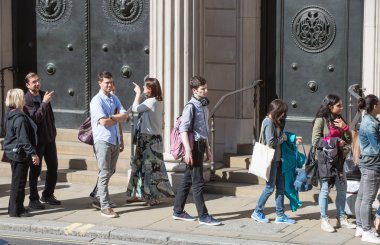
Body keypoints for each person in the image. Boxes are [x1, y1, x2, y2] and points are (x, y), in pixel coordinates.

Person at [172, 76, 221, 226]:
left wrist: (209, 148)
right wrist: (187, 151)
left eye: (206, 88)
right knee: (198, 182)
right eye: (202, 89)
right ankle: (203, 216)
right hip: (193, 147)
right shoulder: (191, 107)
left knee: (188, 179)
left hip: (200, 145)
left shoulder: (203, 105)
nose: (206, 91)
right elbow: (183, 130)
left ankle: (178, 211)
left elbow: (204, 129)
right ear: (194, 90)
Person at [126, 78, 174, 205]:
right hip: (153, 138)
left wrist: (137, 93)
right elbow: (162, 120)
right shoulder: (159, 101)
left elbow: (135, 109)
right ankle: (140, 194)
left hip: (148, 139)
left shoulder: (151, 101)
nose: (143, 88)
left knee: (147, 168)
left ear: (150, 89)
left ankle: (150, 197)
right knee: (146, 167)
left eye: (145, 87)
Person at [311, 94, 356, 233]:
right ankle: (324, 220)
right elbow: (315, 141)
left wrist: (346, 128)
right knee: (325, 191)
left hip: (340, 161)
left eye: (342, 105)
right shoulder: (321, 120)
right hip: (325, 162)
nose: (341, 108)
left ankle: (341, 217)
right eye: (339, 105)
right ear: (330, 106)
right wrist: (335, 142)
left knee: (342, 190)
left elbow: (349, 140)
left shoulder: (340, 119)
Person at [251, 99, 296, 224]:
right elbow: (271, 142)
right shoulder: (268, 122)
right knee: (270, 188)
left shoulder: (275, 122)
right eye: (282, 112)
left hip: (278, 160)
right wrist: (284, 138)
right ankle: (257, 211)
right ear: (276, 111)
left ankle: (280, 215)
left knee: (280, 188)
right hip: (271, 161)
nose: (283, 115)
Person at [90, 71, 128, 218]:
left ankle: (97, 196)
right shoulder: (96, 101)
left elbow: (125, 116)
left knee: (110, 171)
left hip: (114, 140)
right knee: (104, 173)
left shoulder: (114, 98)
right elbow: (103, 122)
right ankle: (104, 206)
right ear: (100, 83)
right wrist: (115, 117)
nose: (110, 85)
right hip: (102, 141)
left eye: (111, 82)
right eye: (107, 82)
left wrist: (112, 118)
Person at [24, 72, 60, 209]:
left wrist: (53, 131)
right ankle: (33, 199)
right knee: (35, 171)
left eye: (38, 80)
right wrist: (44, 103)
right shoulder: (26, 100)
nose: (37, 83)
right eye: (34, 82)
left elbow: (49, 116)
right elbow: (36, 118)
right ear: (27, 85)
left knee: (53, 167)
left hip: (49, 138)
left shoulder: (43, 94)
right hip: (37, 141)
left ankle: (48, 194)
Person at [3, 89, 39, 217]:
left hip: (13, 152)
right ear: (18, 100)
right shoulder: (20, 118)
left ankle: (13, 208)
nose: (24, 99)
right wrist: (33, 154)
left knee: (16, 181)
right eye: (22, 97)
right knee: (19, 183)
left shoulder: (10, 114)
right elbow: (23, 140)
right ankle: (16, 211)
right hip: (20, 154)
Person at [354, 94, 380, 243]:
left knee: (362, 197)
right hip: (372, 164)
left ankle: (360, 226)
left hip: (367, 163)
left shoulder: (370, 120)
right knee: (367, 199)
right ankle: (366, 231)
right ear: (375, 106)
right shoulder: (369, 123)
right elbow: (376, 147)